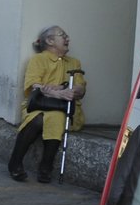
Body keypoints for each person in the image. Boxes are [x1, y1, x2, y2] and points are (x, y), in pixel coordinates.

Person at [8, 25, 87, 183]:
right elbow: (33, 86)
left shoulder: (74, 62)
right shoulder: (38, 60)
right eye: (62, 35)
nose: (67, 39)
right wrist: (59, 92)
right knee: (38, 118)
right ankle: (15, 162)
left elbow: (81, 88)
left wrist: (68, 90)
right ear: (50, 41)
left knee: (57, 117)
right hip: (39, 105)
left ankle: (46, 166)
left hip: (64, 108)